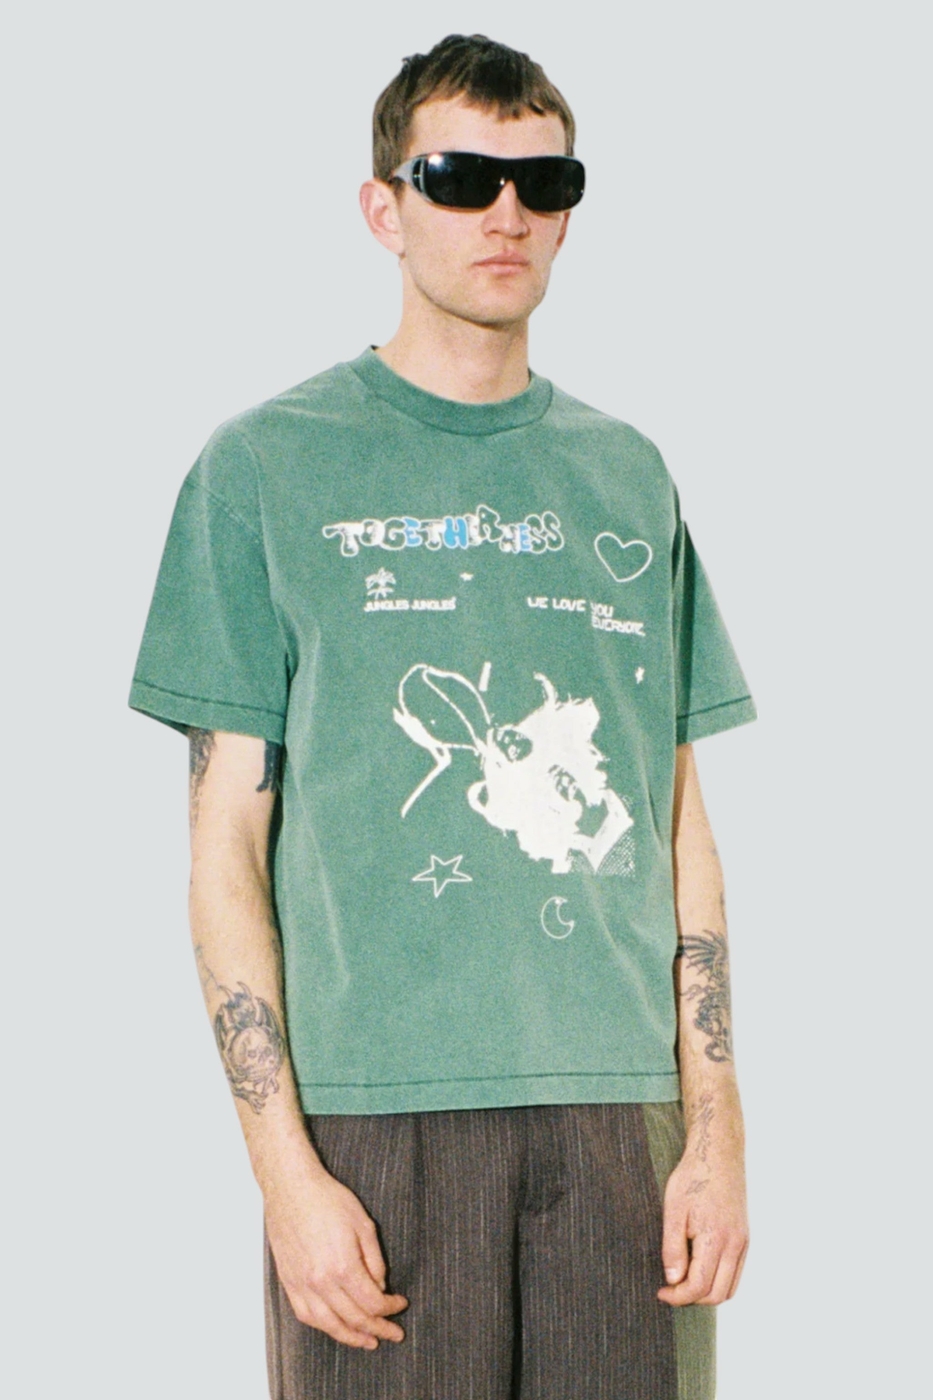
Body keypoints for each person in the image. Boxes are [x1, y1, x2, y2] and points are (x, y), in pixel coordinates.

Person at [130, 32, 756, 1400]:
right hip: (376, 1128)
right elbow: (224, 851)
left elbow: (678, 822)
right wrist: (286, 1176)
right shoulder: (264, 469)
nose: (505, 214)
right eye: (461, 178)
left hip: (622, 1125)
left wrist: (715, 1134)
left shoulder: (627, 475)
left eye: (545, 183)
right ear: (385, 207)